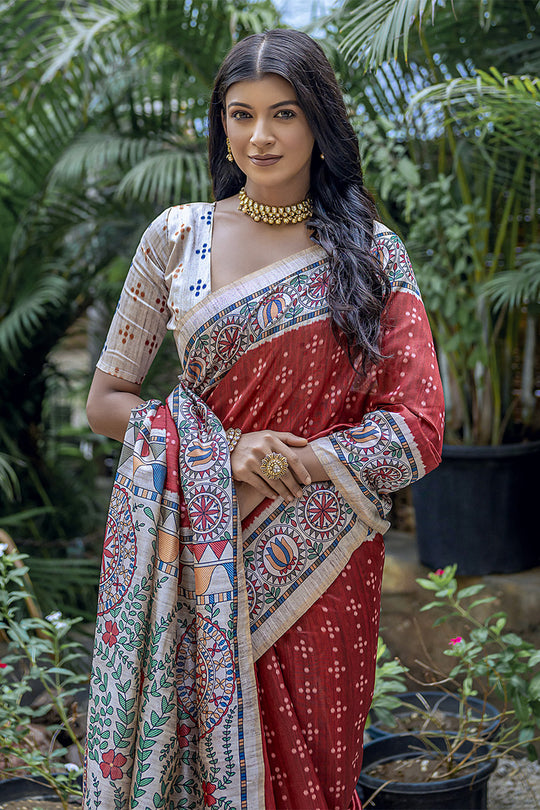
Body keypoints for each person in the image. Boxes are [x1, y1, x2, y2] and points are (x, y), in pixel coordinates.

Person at [83, 28, 444, 810]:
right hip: (199, 560)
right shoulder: (178, 238)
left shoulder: (376, 255)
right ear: (220, 125)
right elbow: (107, 400)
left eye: (283, 114)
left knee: (317, 771)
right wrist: (227, 451)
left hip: (326, 556)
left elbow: (418, 427)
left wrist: (300, 463)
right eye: (239, 115)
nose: (259, 136)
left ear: (319, 123)